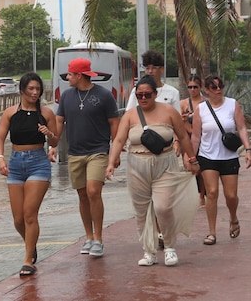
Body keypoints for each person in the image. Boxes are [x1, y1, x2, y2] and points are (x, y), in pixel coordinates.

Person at [106, 75, 199, 267]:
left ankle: (170, 246)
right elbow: (119, 140)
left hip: (164, 164)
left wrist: (192, 158)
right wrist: (111, 161)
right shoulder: (130, 115)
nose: (143, 98)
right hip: (137, 166)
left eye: (147, 94)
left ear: (155, 94)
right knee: (141, 211)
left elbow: (183, 136)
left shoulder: (169, 112)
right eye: (139, 95)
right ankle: (149, 250)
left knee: (162, 207)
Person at [52, 58, 120, 258]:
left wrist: (115, 150)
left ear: (79, 75)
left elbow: (114, 123)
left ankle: (99, 238)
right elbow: (58, 122)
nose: (67, 78)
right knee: (82, 195)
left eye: (70, 74)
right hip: (75, 152)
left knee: (93, 191)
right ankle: (89, 236)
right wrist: (52, 144)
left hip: (98, 151)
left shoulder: (104, 95)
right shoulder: (66, 96)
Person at [0, 72, 59, 277]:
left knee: (30, 213)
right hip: (15, 163)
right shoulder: (10, 113)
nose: (34, 92)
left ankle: (27, 259)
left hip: (38, 163)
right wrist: (0, 158)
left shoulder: (46, 113)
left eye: (37, 89)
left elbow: (56, 141)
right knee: (18, 219)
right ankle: (31, 246)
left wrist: (49, 135)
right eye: (30, 89)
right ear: (22, 90)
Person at [191, 75, 251, 245]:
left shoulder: (232, 104)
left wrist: (248, 149)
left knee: (231, 195)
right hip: (207, 155)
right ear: (206, 90)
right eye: (213, 87)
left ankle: (233, 218)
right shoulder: (201, 109)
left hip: (229, 156)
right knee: (211, 193)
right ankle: (212, 232)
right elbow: (196, 135)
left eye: (220, 86)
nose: (218, 90)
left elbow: (241, 127)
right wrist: (191, 157)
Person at [180, 75, 206, 206]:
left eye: (195, 87)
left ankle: (202, 195)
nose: (192, 90)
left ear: (200, 87)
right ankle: (191, 195)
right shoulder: (183, 104)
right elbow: (177, 123)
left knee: (201, 171)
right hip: (188, 140)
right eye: (190, 87)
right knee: (189, 167)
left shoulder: (206, 102)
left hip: (203, 139)